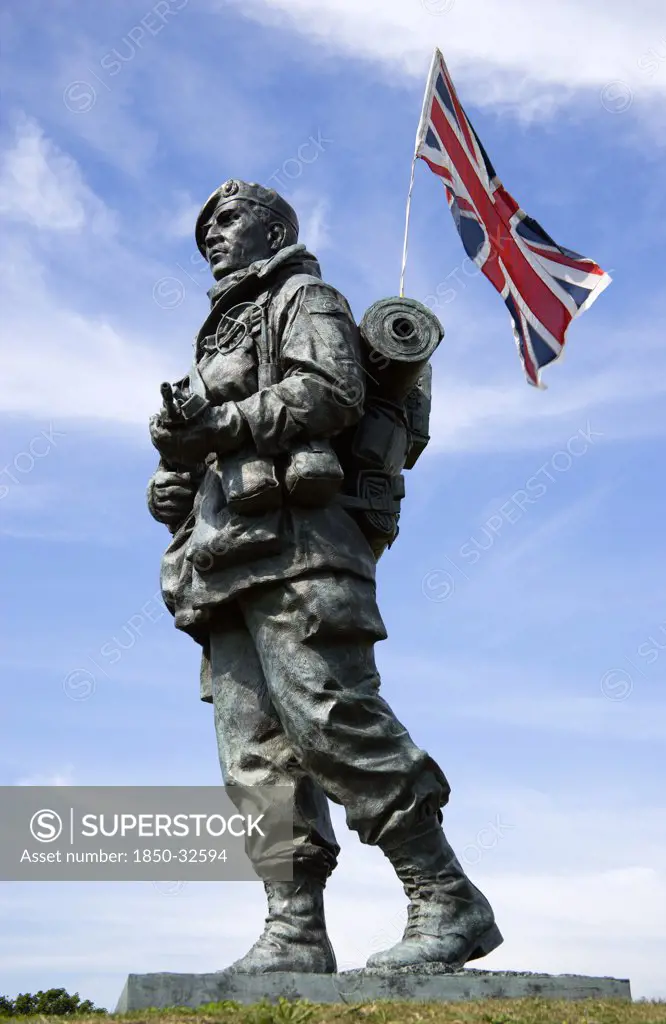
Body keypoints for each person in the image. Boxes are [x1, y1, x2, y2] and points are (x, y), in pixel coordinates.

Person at [147, 178, 502, 973]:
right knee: (256, 757)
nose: (212, 233)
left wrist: (223, 423)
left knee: (331, 720)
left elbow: (331, 393)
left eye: (229, 218)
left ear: (273, 227)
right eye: (204, 224)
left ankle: (445, 895)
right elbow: (207, 444)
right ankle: (294, 927)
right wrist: (179, 474)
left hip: (304, 548)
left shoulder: (306, 297)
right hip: (223, 560)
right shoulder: (219, 333)